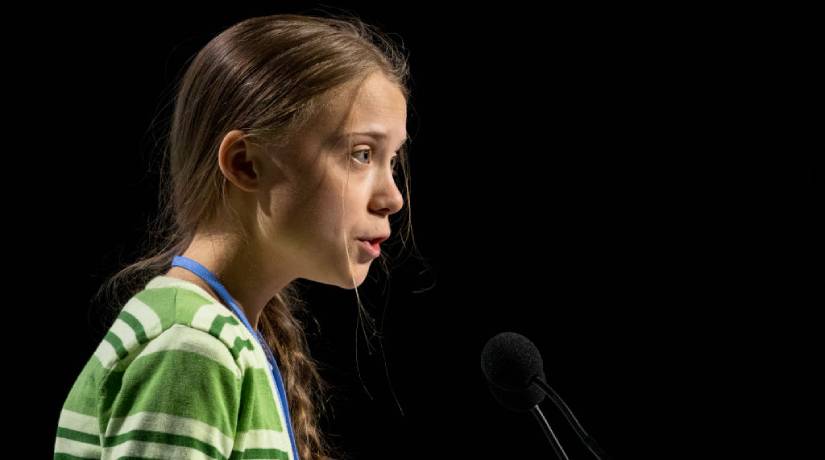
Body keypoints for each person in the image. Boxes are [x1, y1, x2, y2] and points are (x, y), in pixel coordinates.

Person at [54, 13, 413, 460]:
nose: (393, 197)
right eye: (361, 154)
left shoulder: (218, 337)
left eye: (392, 160)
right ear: (245, 164)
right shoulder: (190, 347)